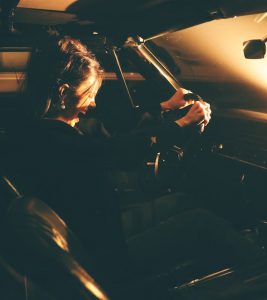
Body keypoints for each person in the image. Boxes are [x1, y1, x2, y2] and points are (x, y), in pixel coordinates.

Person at [5, 36, 262, 295]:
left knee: (181, 201)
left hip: (91, 233)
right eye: (89, 94)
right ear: (63, 93)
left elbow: (109, 131)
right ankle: (259, 271)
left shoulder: (37, 127)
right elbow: (116, 151)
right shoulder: (54, 139)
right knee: (202, 222)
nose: (92, 103)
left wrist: (164, 107)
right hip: (105, 258)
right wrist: (181, 125)